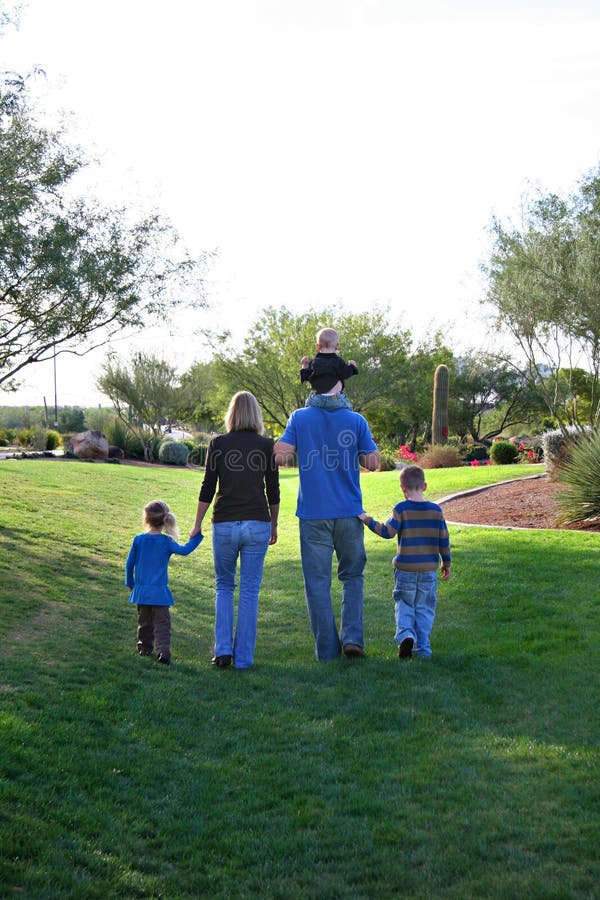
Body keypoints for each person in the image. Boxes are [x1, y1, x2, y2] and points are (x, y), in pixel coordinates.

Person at [274, 401, 379, 661]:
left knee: (317, 584)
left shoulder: (299, 418)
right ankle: (353, 638)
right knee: (353, 576)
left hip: (313, 514)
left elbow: (280, 456)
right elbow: (373, 462)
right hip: (350, 513)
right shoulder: (356, 421)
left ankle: (327, 651)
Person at [190, 391, 280, 669]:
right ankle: (243, 659)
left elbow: (208, 487)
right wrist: (274, 524)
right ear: (256, 414)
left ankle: (223, 651)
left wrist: (197, 523)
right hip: (257, 523)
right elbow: (273, 491)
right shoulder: (267, 445)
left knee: (224, 587)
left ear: (231, 414)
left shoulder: (218, 444)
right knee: (250, 591)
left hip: (225, 523)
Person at [359, 465, 451, 659]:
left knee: (404, 604)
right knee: (425, 608)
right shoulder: (436, 511)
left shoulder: (401, 509)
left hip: (405, 570)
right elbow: (444, 539)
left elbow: (387, 532)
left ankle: (406, 635)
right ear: (424, 486)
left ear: (403, 488)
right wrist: (447, 563)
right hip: (428, 571)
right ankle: (423, 649)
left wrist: (367, 520)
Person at [125, 500, 203, 665]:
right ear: (164, 519)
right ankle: (163, 652)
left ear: (146, 519)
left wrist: (130, 582)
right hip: (159, 593)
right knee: (162, 624)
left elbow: (129, 563)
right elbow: (185, 550)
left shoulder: (138, 540)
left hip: (142, 591)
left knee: (144, 622)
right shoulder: (166, 541)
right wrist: (196, 537)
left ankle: (144, 648)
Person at [300, 327, 358, 411]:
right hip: (335, 399)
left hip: (317, 399)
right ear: (337, 346)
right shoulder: (339, 362)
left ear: (318, 346)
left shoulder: (313, 362)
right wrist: (352, 366)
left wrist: (304, 365)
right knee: (348, 409)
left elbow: (305, 376)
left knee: (308, 408)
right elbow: (346, 374)